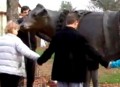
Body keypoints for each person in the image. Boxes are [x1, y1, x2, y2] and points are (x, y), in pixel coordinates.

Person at [37, 12, 109, 87]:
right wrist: (105, 63)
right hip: (76, 74)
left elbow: (49, 52)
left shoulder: (57, 36)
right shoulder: (80, 37)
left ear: (66, 22)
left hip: (61, 73)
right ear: (76, 22)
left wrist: (40, 60)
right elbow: (91, 52)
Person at [0, 20, 40, 87]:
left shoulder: (1, 39)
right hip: (13, 71)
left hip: (1, 71)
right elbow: (27, 52)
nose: (17, 32)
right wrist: (40, 58)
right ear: (13, 29)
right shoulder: (16, 40)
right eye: (17, 30)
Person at [17, 6, 38, 87]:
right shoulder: (18, 22)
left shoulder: (33, 24)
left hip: (31, 51)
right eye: (25, 12)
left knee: (31, 76)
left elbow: (40, 33)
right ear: (21, 13)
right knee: (20, 74)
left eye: (28, 12)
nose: (27, 14)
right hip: (21, 53)